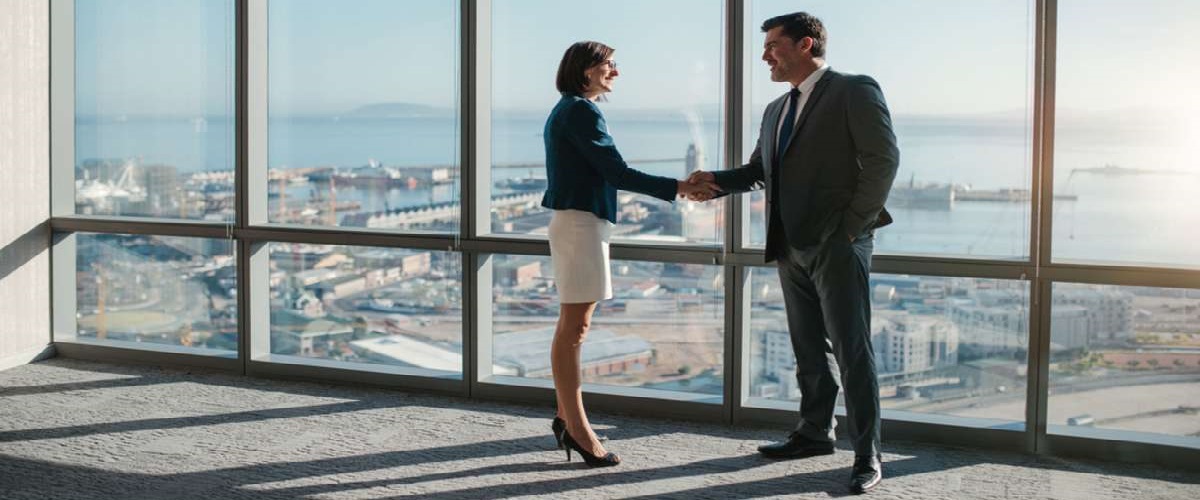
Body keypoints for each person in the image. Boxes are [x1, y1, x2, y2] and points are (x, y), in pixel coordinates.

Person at [688, 12, 899, 494]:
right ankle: (813, 433)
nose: (765, 55)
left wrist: (851, 229)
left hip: (839, 245)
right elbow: (757, 171)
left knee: (853, 351)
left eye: (772, 45)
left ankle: (868, 453)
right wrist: (712, 184)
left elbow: (883, 160)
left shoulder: (854, 89)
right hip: (790, 246)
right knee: (808, 348)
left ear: (805, 45)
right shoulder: (775, 110)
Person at [542, 40, 714, 468]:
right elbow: (615, 172)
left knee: (573, 328)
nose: (615, 72)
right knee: (575, 331)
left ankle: (566, 418)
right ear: (584, 69)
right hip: (580, 226)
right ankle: (578, 429)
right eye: (608, 64)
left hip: (582, 224)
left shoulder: (570, 108)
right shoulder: (580, 110)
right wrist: (681, 187)